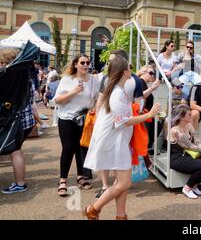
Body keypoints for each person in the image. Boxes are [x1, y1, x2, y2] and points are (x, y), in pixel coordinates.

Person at [83, 56, 161, 220]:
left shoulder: (118, 91)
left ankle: (121, 215)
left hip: (118, 141)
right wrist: (150, 114)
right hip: (114, 143)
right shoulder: (117, 93)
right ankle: (93, 209)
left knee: (121, 182)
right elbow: (123, 122)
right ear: (125, 72)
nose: (131, 71)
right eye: (129, 68)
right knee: (124, 183)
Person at [95, 50, 144, 199]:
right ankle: (104, 188)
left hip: (124, 129)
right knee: (120, 177)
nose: (109, 63)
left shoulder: (135, 80)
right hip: (114, 127)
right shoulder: (107, 80)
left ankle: (119, 211)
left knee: (122, 178)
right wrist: (98, 125)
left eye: (112, 60)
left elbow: (138, 102)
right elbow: (101, 103)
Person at [54, 54, 101, 196]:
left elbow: (97, 97)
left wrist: (94, 107)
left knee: (82, 147)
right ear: (75, 64)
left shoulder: (94, 80)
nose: (86, 65)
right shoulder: (67, 80)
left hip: (84, 119)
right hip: (67, 118)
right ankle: (63, 180)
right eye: (82, 63)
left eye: (88, 62)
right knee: (68, 148)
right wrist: (73, 92)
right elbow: (57, 100)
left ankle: (81, 176)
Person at [1, 49, 34, 194]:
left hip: (15, 120)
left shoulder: (11, 78)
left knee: (15, 151)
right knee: (15, 150)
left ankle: (20, 183)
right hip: (25, 118)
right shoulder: (24, 75)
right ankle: (20, 183)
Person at [168, 105, 201, 199]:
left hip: (188, 155)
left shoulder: (188, 125)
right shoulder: (175, 131)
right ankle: (187, 188)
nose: (191, 116)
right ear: (181, 117)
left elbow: (197, 141)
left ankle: (194, 186)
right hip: (177, 159)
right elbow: (191, 146)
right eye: (189, 115)